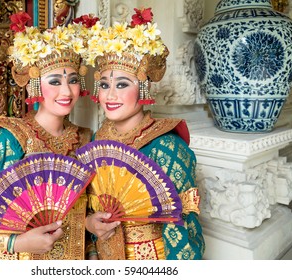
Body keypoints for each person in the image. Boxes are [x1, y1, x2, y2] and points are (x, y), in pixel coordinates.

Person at [0, 12, 94, 260]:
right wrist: (14, 242)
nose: (66, 91)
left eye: (73, 80)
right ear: (34, 84)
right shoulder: (8, 140)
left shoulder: (86, 140)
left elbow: (86, 211)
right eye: (54, 81)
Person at [84, 7, 205, 260]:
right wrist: (92, 229)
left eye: (122, 85)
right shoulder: (98, 140)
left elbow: (183, 234)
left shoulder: (167, 146)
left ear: (144, 88)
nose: (110, 95)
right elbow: (89, 207)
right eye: (105, 85)